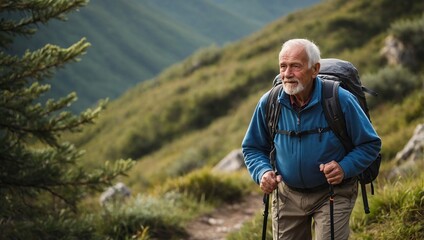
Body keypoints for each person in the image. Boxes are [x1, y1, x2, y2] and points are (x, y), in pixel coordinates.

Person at [241, 38, 381, 240]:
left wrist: (344, 168)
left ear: (314, 69)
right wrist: (262, 172)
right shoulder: (270, 102)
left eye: (295, 66)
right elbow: (252, 147)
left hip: (333, 193)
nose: (287, 74)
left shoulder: (339, 99)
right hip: (287, 195)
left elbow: (370, 144)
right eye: (283, 66)